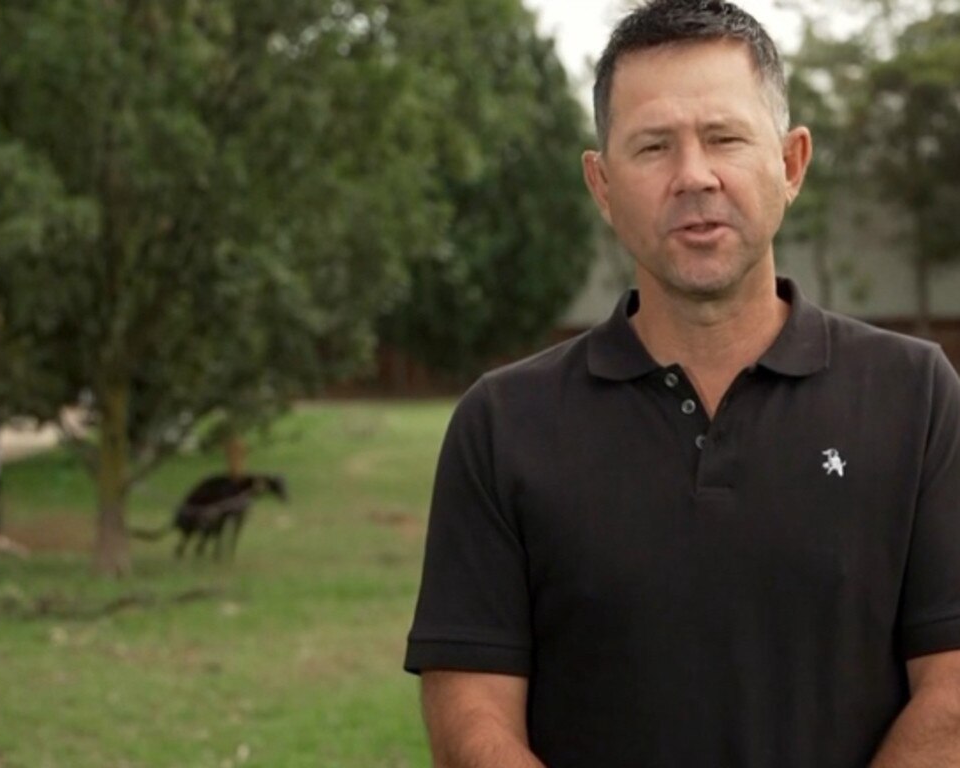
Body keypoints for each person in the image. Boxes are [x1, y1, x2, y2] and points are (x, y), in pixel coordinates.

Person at [403, 1, 960, 766]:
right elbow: (469, 709)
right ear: (601, 185)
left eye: (724, 138)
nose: (693, 176)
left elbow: (953, 692)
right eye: (653, 146)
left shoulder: (917, 396)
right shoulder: (502, 423)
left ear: (791, 163)